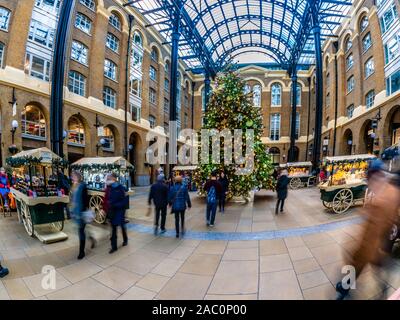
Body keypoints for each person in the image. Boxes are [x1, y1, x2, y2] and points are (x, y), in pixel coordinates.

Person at [335, 160, 400, 300]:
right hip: (382, 243)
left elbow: (368, 241)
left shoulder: (380, 202)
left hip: (374, 245)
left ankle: (345, 290)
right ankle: (380, 289)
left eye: (369, 178)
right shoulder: (392, 191)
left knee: (358, 262)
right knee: (376, 267)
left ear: (374, 177)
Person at [70, 171, 94, 260]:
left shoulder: (83, 186)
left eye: (74, 176)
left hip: (81, 212)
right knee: (82, 229)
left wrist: (83, 212)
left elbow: (86, 199)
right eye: (72, 176)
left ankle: (81, 251)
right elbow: (72, 198)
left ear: (78, 177)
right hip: (76, 211)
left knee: (81, 231)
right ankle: (91, 238)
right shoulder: (74, 186)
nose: (72, 178)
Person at [105, 173, 128, 254]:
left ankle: (125, 239)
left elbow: (124, 201)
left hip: (120, 211)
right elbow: (107, 199)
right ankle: (114, 247)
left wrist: (115, 205)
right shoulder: (109, 188)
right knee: (113, 229)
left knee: (122, 226)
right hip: (112, 212)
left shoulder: (121, 188)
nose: (108, 180)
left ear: (114, 178)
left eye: (110, 178)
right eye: (108, 178)